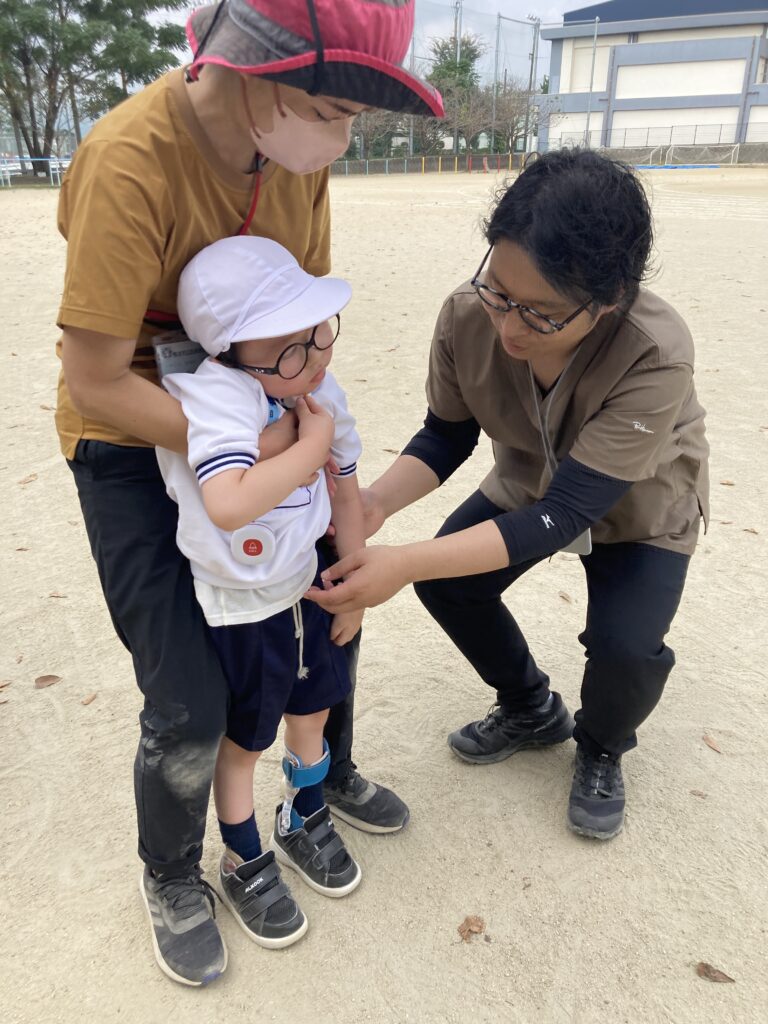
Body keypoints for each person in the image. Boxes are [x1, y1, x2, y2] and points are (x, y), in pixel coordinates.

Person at [55, 0, 442, 987]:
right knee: (190, 695)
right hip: (138, 433)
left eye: (355, 117)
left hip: (271, 420)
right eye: (331, 109)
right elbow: (96, 379)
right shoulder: (130, 160)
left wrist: (329, 488)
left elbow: (300, 329)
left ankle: (319, 782)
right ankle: (173, 872)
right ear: (254, 71)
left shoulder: (292, 153)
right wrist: (256, 451)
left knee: (329, 603)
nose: (339, 141)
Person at [306, 148, 709, 844]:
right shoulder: (467, 316)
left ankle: (602, 746)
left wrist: (402, 562)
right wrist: (374, 504)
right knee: (450, 585)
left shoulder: (654, 351)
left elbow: (567, 512)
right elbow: (445, 436)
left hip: (639, 510)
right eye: (499, 291)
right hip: (528, 485)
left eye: (541, 313)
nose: (510, 328)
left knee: (625, 648)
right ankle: (529, 706)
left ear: (610, 299)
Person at [156, 235, 366, 957]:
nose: (314, 356)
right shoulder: (216, 395)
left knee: (313, 710)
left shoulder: (315, 390)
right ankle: (243, 855)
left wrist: (355, 581)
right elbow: (228, 502)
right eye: (288, 347)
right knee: (245, 740)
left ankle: (303, 812)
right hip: (242, 606)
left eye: (318, 332)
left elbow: (346, 488)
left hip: (307, 583)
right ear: (230, 351)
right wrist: (308, 445)